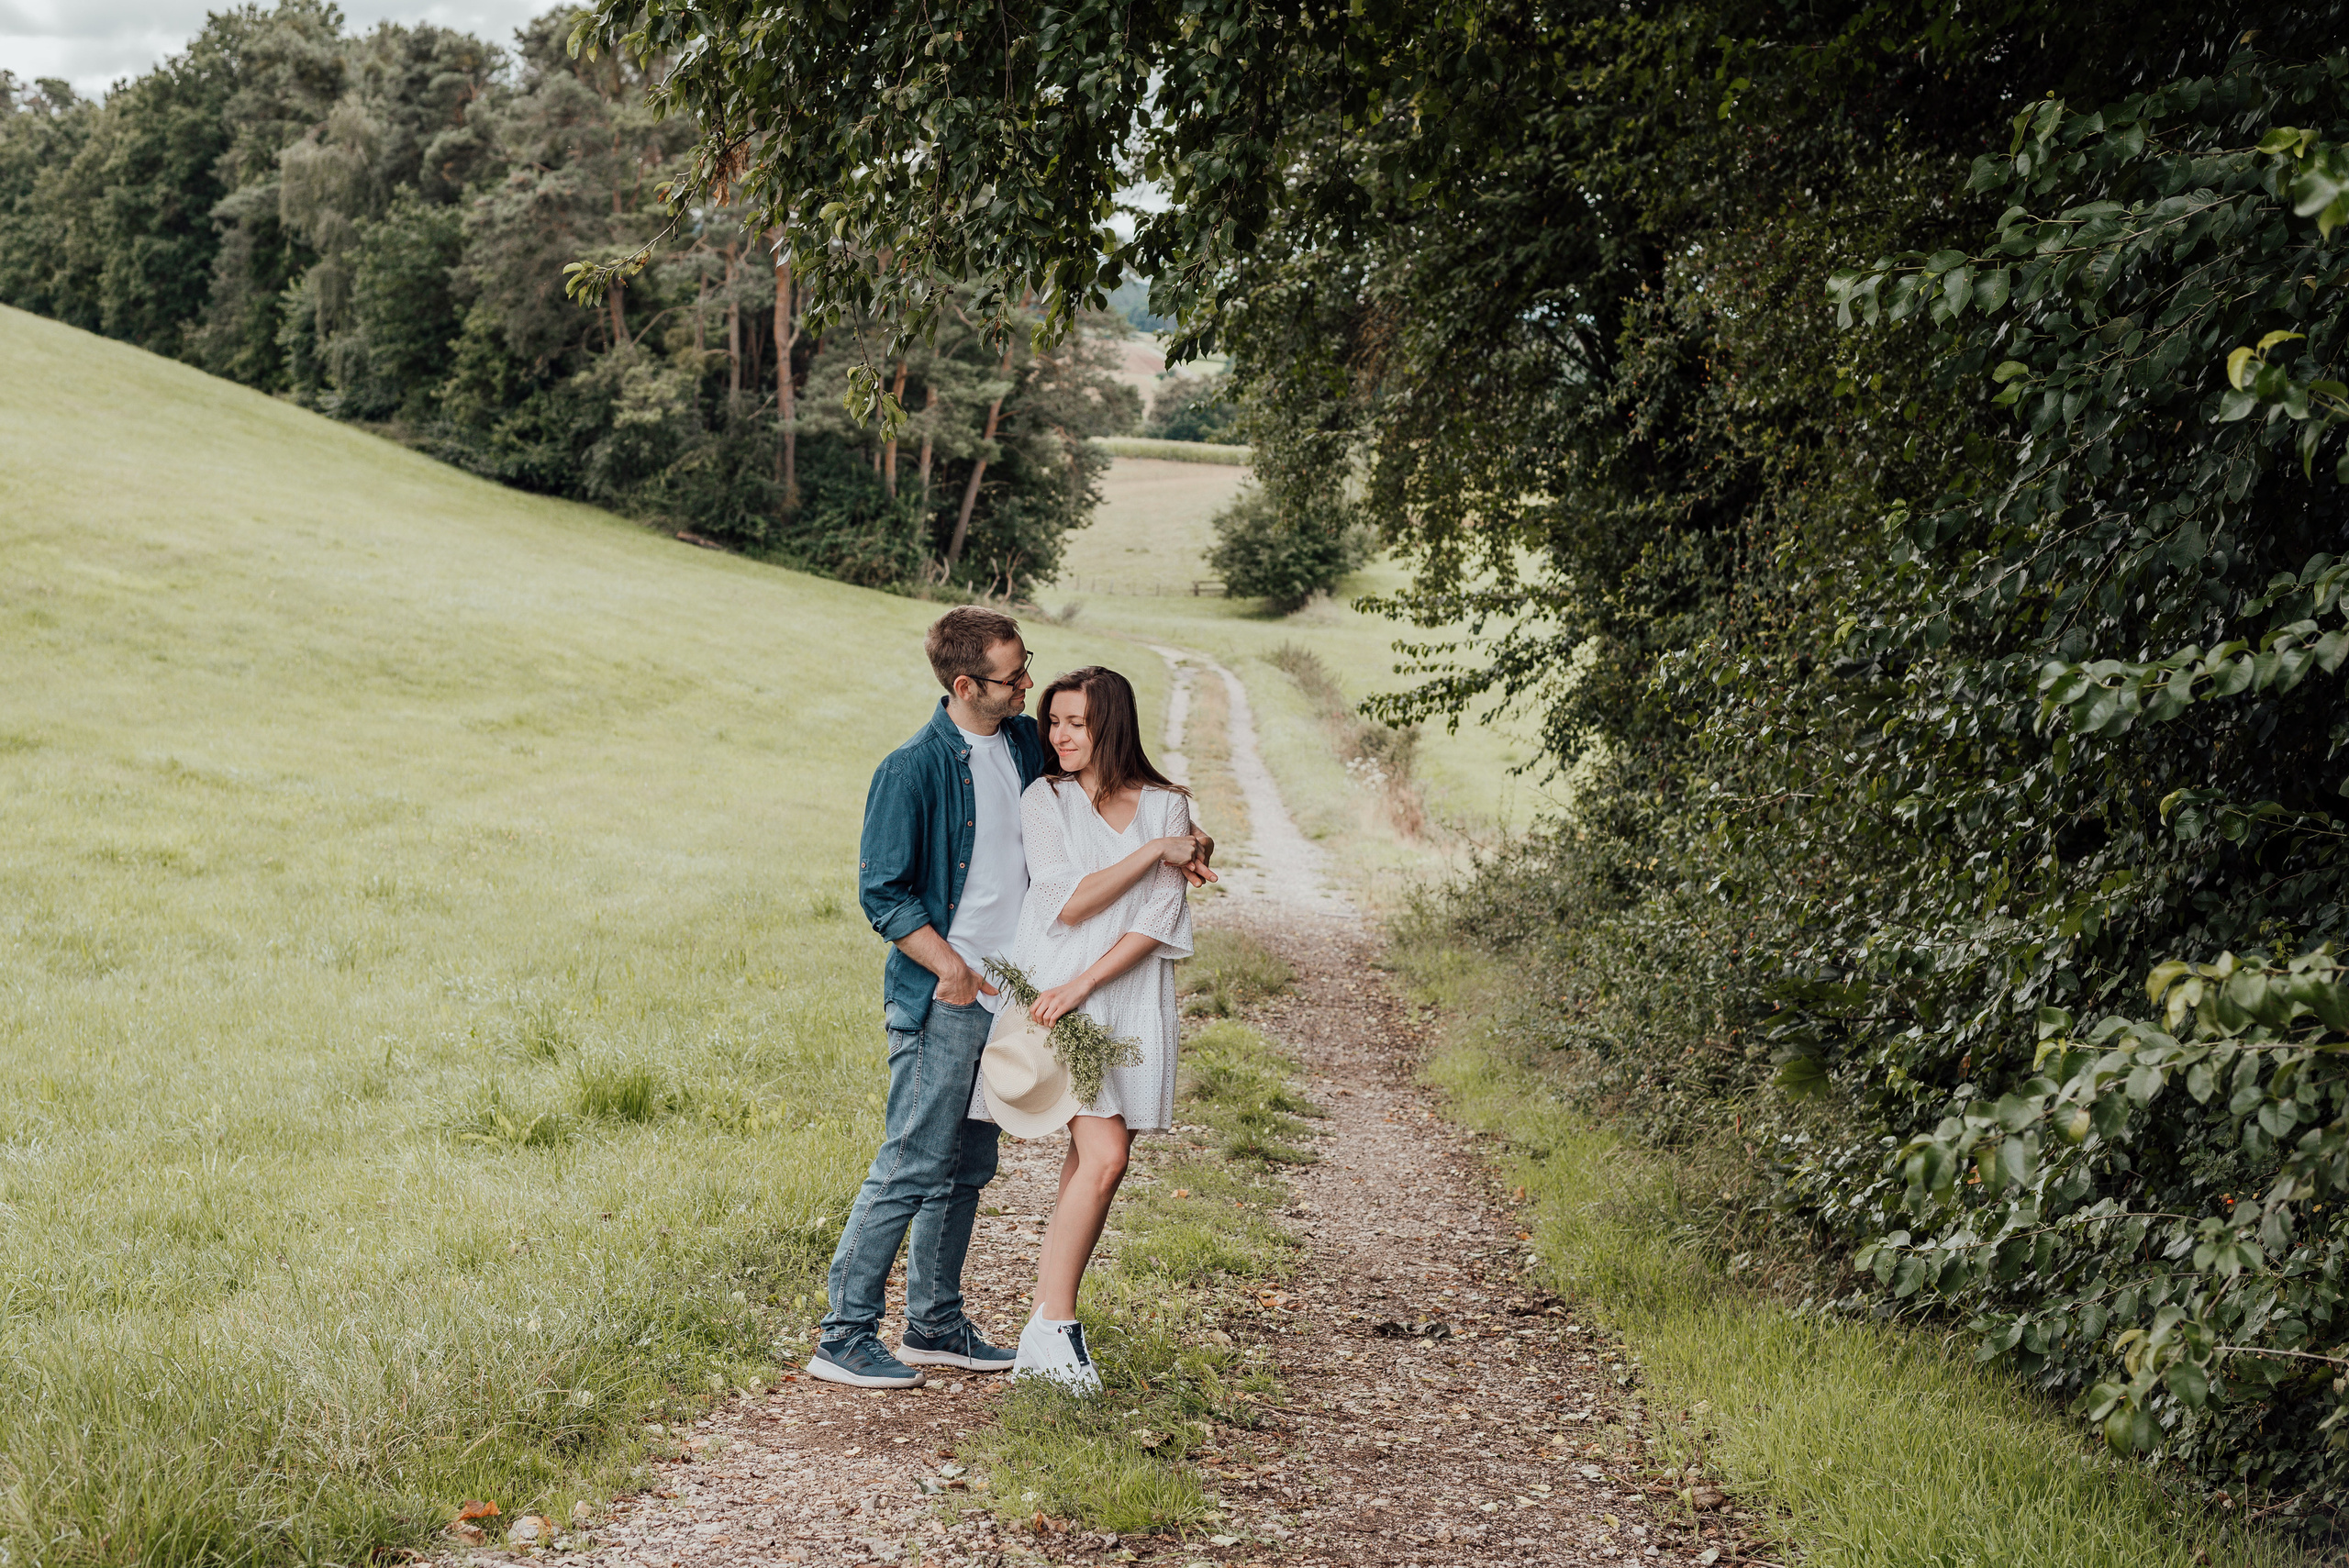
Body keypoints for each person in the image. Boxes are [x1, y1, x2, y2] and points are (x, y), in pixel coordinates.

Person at [808, 606, 1043, 1388]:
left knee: (968, 1163)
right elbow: (884, 892)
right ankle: (843, 1335)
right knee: (912, 1160)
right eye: (1014, 677)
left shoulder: (1022, 742)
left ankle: (935, 1324)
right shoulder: (912, 767)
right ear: (967, 682)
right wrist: (951, 971)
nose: (1028, 686)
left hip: (1005, 998)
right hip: (945, 997)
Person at [999, 665, 1215, 1391]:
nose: (1057, 735)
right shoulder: (1046, 799)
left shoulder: (1169, 803)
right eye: (1052, 721)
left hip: (1123, 991)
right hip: (1055, 988)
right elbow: (1068, 902)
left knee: (1089, 1159)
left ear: (1110, 724)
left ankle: (1045, 1328)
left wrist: (1091, 980)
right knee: (1105, 1154)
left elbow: (1161, 916)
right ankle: (1054, 1328)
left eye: (1075, 723)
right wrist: (1156, 851)